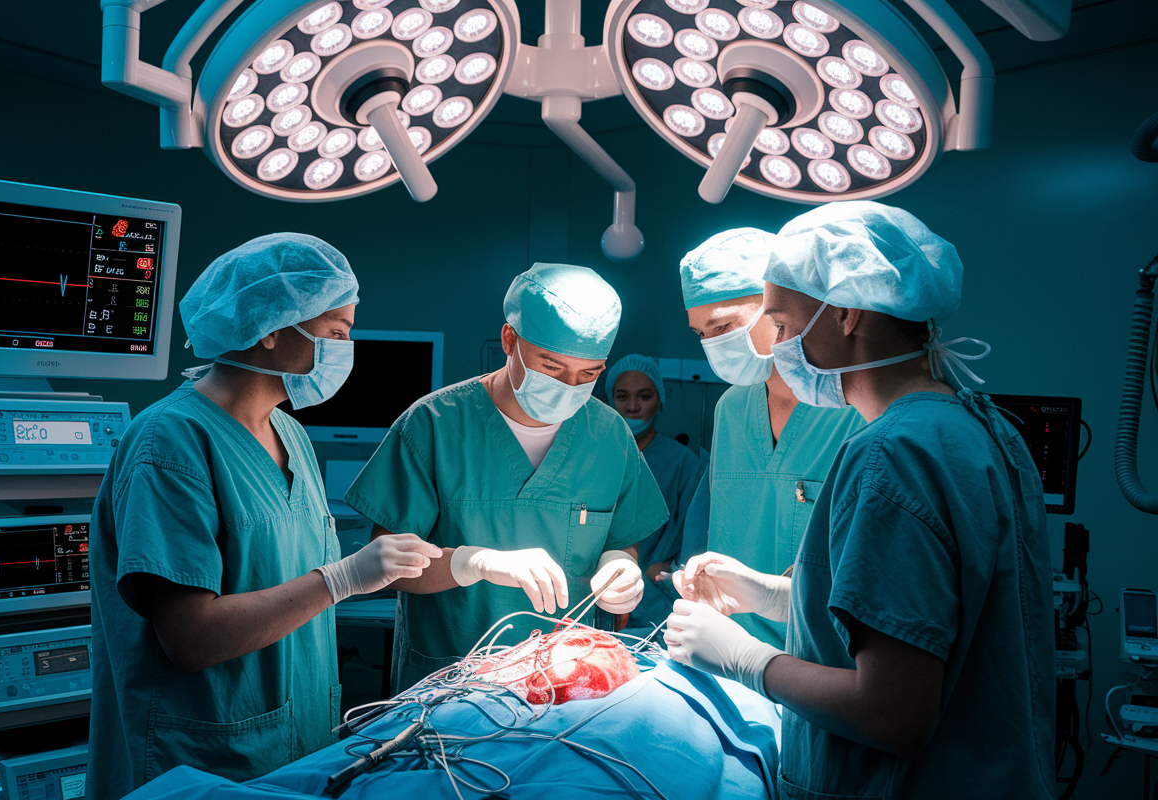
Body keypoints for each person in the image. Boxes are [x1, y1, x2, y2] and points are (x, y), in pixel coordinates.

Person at [664, 202, 1054, 798]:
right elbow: (924, 609)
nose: (779, 348)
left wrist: (746, 659)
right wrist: (775, 595)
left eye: (786, 326)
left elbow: (893, 714)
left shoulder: (892, 453)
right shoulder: (981, 427)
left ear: (844, 314)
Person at [88, 234, 441, 798]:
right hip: (202, 762)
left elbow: (288, 581)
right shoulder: (171, 443)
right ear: (272, 327)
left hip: (293, 745)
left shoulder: (289, 433)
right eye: (336, 333)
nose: (345, 349)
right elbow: (190, 637)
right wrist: (343, 578)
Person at [344, 263, 670, 691]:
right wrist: (472, 562)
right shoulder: (433, 426)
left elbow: (621, 536)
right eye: (552, 368)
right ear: (509, 340)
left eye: (589, 374)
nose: (570, 387)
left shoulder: (608, 435)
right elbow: (387, 566)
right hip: (448, 686)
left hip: (568, 685)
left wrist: (621, 565)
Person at [676, 228, 864, 650]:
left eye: (722, 325)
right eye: (700, 333)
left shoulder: (853, 409)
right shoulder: (730, 409)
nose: (712, 345)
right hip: (724, 650)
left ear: (776, 306)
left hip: (821, 659)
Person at [605, 354, 702, 631]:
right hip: (599, 593)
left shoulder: (683, 463)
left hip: (656, 602)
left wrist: (671, 568)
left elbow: (697, 537)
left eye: (644, 396)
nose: (633, 406)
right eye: (622, 397)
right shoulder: (596, 456)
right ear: (610, 401)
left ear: (660, 400)